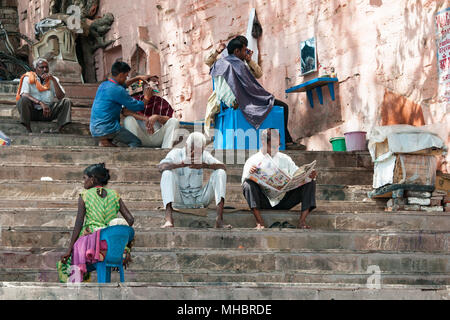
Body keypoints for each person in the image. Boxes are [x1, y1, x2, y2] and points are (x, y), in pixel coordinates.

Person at [205, 36, 297, 147]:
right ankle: (287, 141)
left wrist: (249, 60)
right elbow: (208, 61)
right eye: (244, 50)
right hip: (244, 100)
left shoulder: (227, 64)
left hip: (243, 99)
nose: (246, 52)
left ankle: (287, 139)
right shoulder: (233, 64)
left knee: (276, 104)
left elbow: (258, 74)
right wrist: (217, 51)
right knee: (283, 106)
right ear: (237, 51)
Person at [57, 163, 135, 282]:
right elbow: (130, 220)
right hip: (112, 245)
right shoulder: (114, 195)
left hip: (92, 245)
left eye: (84, 178)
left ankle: (75, 289)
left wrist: (69, 249)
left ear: (92, 179)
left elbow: (79, 223)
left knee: (71, 258)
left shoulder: (85, 195)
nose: (83, 182)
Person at [242, 128, 317, 230]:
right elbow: (244, 184)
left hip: (284, 200)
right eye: (272, 146)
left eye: (278, 146)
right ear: (263, 142)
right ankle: (259, 222)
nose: (275, 149)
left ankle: (302, 221)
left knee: (310, 183)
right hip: (264, 201)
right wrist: (250, 173)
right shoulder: (252, 160)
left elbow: (297, 174)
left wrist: (308, 176)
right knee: (248, 184)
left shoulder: (285, 158)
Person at [158, 132, 230, 229]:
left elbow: (223, 167)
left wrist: (205, 165)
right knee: (167, 173)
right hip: (179, 198)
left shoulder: (204, 155)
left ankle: (219, 220)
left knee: (220, 172)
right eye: (192, 150)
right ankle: (169, 219)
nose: (195, 154)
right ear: (187, 145)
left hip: (199, 198)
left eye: (199, 151)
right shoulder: (175, 153)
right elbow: (161, 167)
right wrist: (181, 164)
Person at [89, 61, 154, 147]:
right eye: (126, 76)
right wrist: (147, 97)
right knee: (135, 142)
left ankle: (105, 143)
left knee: (113, 145)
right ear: (120, 75)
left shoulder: (104, 85)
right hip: (108, 128)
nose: (126, 79)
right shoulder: (118, 90)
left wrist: (138, 78)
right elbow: (138, 107)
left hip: (94, 128)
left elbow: (123, 84)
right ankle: (131, 160)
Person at [15, 58, 72, 133]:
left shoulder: (53, 79)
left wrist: (54, 81)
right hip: (32, 112)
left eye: (46, 67)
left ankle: (59, 129)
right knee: (23, 100)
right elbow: (24, 94)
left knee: (66, 101)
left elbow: (60, 96)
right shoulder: (28, 78)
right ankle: (27, 128)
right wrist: (40, 103)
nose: (44, 70)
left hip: (47, 113)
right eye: (41, 67)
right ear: (36, 69)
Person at [122, 76, 180, 149]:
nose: (157, 83)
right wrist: (145, 118)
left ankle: (166, 151)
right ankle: (135, 149)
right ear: (145, 85)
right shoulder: (136, 99)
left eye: (158, 83)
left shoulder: (162, 102)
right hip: (140, 137)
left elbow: (168, 118)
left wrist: (157, 117)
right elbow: (125, 111)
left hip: (156, 136)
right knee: (128, 119)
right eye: (154, 81)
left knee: (174, 121)